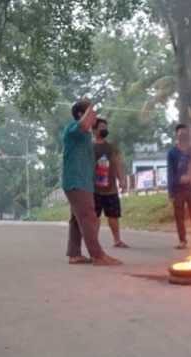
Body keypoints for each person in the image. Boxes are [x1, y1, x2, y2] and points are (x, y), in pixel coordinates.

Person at [62, 99, 122, 266]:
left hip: (83, 183)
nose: (94, 116)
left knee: (76, 218)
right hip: (76, 182)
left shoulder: (85, 136)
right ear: (81, 114)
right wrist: (90, 105)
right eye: (91, 113)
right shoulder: (72, 130)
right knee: (89, 217)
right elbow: (84, 123)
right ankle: (98, 256)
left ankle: (74, 254)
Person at [92, 118, 129, 248]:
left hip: (111, 187)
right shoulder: (89, 146)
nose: (104, 130)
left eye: (105, 127)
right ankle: (94, 243)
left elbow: (117, 164)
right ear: (95, 130)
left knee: (113, 215)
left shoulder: (111, 147)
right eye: (101, 127)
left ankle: (117, 240)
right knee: (95, 217)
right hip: (94, 188)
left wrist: (122, 181)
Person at [167, 124, 191, 249]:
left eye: (185, 133)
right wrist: (170, 191)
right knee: (179, 216)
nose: (183, 135)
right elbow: (170, 173)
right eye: (181, 133)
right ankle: (182, 240)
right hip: (178, 191)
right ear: (177, 134)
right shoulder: (172, 153)